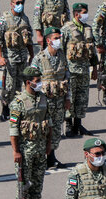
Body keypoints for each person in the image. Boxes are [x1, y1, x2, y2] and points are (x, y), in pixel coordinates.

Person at [9, 66, 52, 199]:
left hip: (40, 147)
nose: (40, 83)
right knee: (24, 181)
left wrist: (49, 145)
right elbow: (13, 130)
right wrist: (16, 152)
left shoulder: (43, 98)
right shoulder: (18, 103)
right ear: (28, 82)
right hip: (25, 149)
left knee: (38, 179)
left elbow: (49, 123)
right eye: (37, 81)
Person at [31, 26, 71, 169]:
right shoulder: (39, 58)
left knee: (56, 130)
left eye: (59, 38)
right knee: (43, 130)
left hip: (59, 101)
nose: (58, 41)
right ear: (48, 41)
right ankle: (41, 158)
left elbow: (67, 78)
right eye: (56, 38)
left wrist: (68, 98)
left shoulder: (62, 56)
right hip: (44, 102)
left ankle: (52, 157)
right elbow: (32, 81)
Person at [0, 0, 34, 119]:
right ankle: (5, 108)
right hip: (9, 58)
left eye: (21, 2)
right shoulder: (4, 20)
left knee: (19, 84)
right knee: (9, 86)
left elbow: (29, 39)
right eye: (17, 2)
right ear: (11, 3)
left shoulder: (25, 19)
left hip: (22, 57)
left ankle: (16, 107)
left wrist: (31, 55)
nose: (19, 5)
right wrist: (0, 57)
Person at [62, 3, 98, 137]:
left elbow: (92, 51)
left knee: (82, 99)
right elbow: (61, 50)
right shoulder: (66, 29)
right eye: (84, 12)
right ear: (76, 14)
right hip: (70, 71)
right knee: (70, 98)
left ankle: (78, 125)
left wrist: (94, 68)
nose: (86, 15)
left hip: (84, 71)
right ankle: (69, 125)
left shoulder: (88, 28)